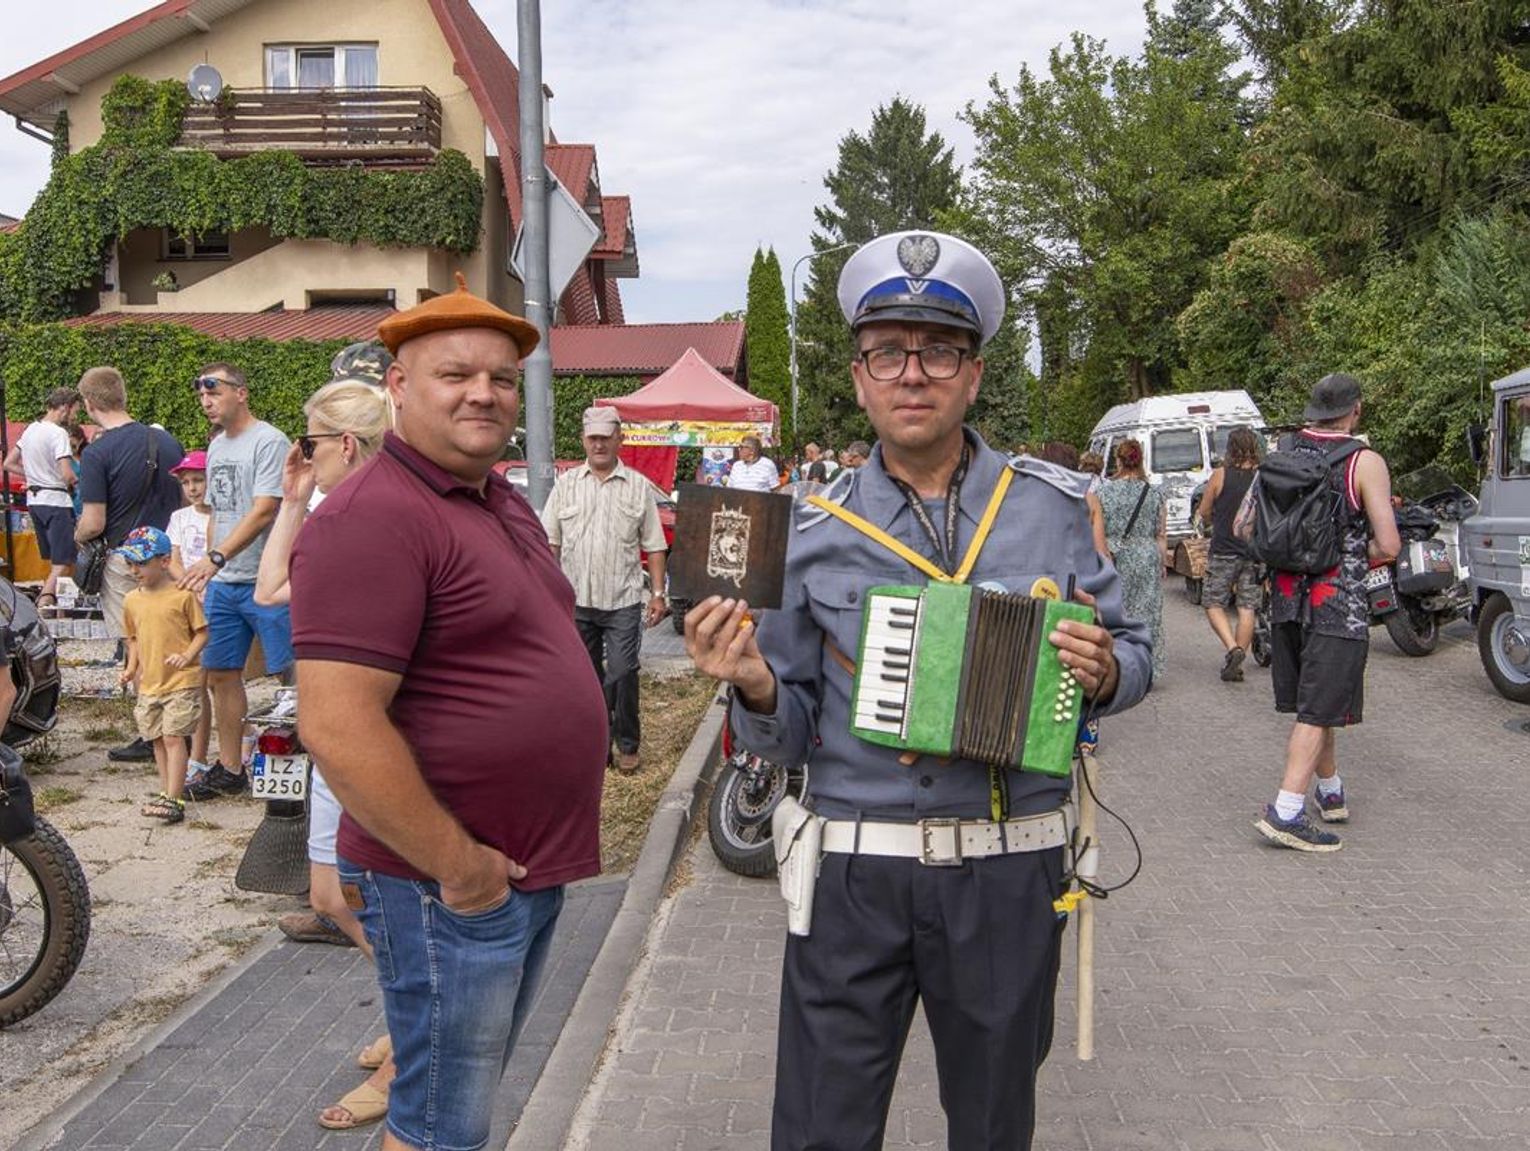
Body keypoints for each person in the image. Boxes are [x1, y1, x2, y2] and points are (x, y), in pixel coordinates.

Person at [684, 230, 1152, 1151]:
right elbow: (793, 731)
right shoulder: (807, 532)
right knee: (822, 1128)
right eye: (887, 353)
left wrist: (1106, 674)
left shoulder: (1053, 509)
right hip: (856, 869)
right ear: (859, 378)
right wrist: (755, 688)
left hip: (1009, 864)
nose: (913, 373)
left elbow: (1137, 653)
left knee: (992, 1125)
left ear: (973, 374)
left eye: (939, 351)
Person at [290, 275, 608, 1151]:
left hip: (514, 870)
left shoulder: (494, 498)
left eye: (503, 379)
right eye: (455, 374)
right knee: (442, 1124)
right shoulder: (373, 515)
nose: (484, 393)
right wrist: (462, 872)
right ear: (397, 386)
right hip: (448, 884)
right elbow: (338, 725)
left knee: (449, 1109)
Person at [254, 378, 397, 1130]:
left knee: (385, 900)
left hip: (372, 735)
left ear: (344, 444)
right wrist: (293, 494)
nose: (299, 454)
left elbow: (277, 589)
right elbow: (273, 584)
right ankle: (411, 1010)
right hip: (332, 728)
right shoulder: (328, 507)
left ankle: (413, 1038)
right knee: (327, 896)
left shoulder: (370, 515)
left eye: (307, 442)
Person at [1252, 373, 1398, 852]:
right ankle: (1287, 811)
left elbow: (1242, 525)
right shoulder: (1364, 461)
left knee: (1317, 703)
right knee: (1317, 710)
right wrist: (1357, 551)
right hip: (1339, 603)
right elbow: (1390, 544)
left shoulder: (1280, 454)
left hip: (1287, 601)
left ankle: (1329, 790)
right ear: (1355, 410)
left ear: (1313, 411)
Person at [180, 364, 291, 799]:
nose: (206, 399)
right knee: (221, 674)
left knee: (291, 674)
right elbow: (217, 514)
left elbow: (265, 508)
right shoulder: (218, 447)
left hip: (270, 576)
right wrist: (210, 565)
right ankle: (230, 769)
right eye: (201, 392)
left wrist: (216, 557)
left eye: (213, 389)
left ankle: (305, 766)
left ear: (241, 393)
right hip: (226, 582)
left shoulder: (269, 441)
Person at [540, 406, 669, 774]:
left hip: (624, 600)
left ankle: (627, 741)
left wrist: (658, 594)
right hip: (577, 601)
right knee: (585, 678)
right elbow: (551, 543)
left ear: (619, 439)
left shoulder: (638, 487)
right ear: (583, 439)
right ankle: (596, 743)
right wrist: (550, 593)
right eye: (592, 437)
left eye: (605, 437)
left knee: (624, 671)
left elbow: (655, 544)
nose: (598, 444)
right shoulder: (566, 485)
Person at [73, 367, 186, 764]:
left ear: (88, 403)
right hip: (170, 557)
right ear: (122, 394)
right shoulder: (167, 441)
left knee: (137, 645)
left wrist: (76, 538)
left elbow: (94, 521)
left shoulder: (98, 452)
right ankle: (181, 722)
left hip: (127, 561)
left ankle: (151, 731)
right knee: (172, 643)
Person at [116, 527, 207, 825]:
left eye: (140, 563)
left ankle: (175, 796)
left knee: (173, 736)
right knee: (156, 737)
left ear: (165, 561)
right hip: (151, 682)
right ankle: (166, 792)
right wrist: (130, 669)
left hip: (182, 679)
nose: (134, 570)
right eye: (130, 563)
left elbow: (202, 633)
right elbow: (133, 639)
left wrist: (187, 656)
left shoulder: (183, 596)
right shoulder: (131, 600)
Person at [1195, 426, 1263, 682]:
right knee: (1247, 606)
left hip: (1223, 548)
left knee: (1213, 602)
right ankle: (1238, 661)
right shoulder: (1261, 477)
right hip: (1253, 552)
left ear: (1230, 448)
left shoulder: (1220, 475)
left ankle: (1232, 648)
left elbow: (1204, 511)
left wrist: (1217, 520)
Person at [4, 387, 81, 612]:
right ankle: (45, 601)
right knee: (64, 559)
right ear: (65, 408)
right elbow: (67, 473)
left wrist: (35, 475)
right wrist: (77, 482)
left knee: (60, 558)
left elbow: (8, 463)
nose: (75, 417)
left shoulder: (30, 430)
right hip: (57, 500)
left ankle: (64, 604)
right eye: (74, 411)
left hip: (34, 501)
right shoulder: (58, 434)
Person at [1099, 438, 1166, 681]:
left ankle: (1119, 667)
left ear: (1118, 460)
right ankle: (1149, 668)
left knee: (1119, 610)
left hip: (1116, 554)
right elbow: (1160, 533)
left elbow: (1099, 528)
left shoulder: (1104, 491)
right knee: (1149, 613)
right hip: (1147, 554)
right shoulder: (1155, 493)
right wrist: (1162, 562)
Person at [165, 451, 215, 779]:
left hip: (215, 599)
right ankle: (198, 757)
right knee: (198, 683)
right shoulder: (180, 517)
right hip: (190, 602)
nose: (192, 488)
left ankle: (209, 751)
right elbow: (173, 557)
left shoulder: (220, 516)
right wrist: (189, 581)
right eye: (186, 483)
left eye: (198, 480)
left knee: (217, 680)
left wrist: (205, 579)